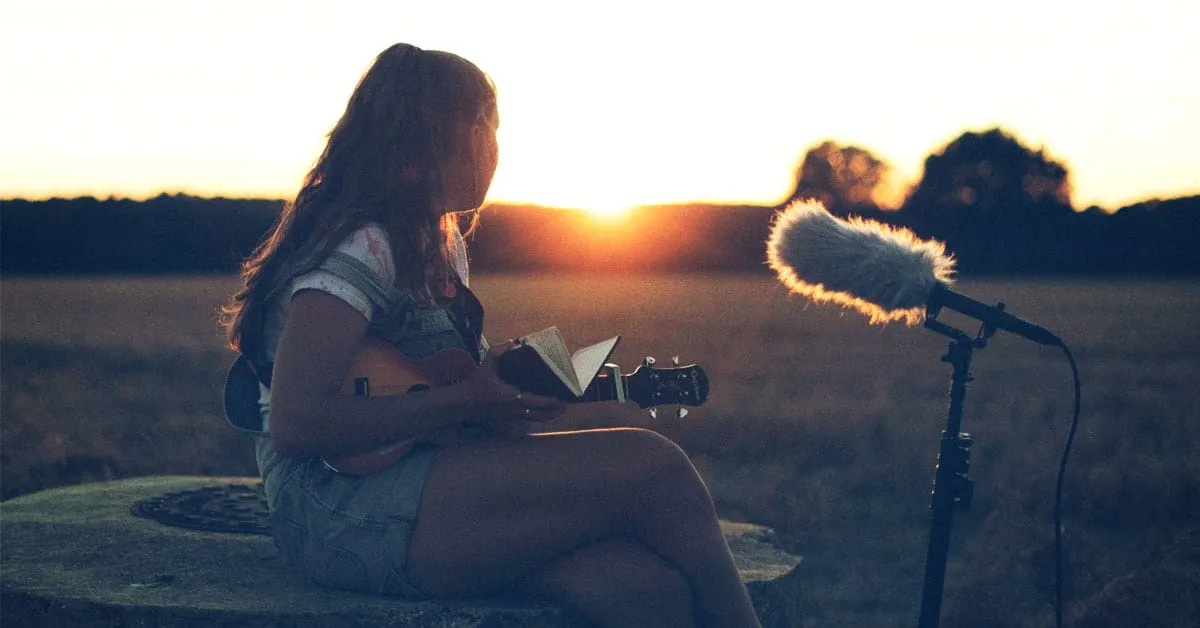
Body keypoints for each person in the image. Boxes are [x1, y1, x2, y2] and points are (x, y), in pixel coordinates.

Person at [221, 43, 761, 628]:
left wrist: (496, 394)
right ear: (469, 131)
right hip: (340, 511)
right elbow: (297, 423)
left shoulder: (437, 239)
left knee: (643, 591)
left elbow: (426, 393)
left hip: (424, 488)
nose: (496, 152)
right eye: (492, 130)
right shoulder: (362, 245)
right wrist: (463, 399)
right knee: (657, 466)